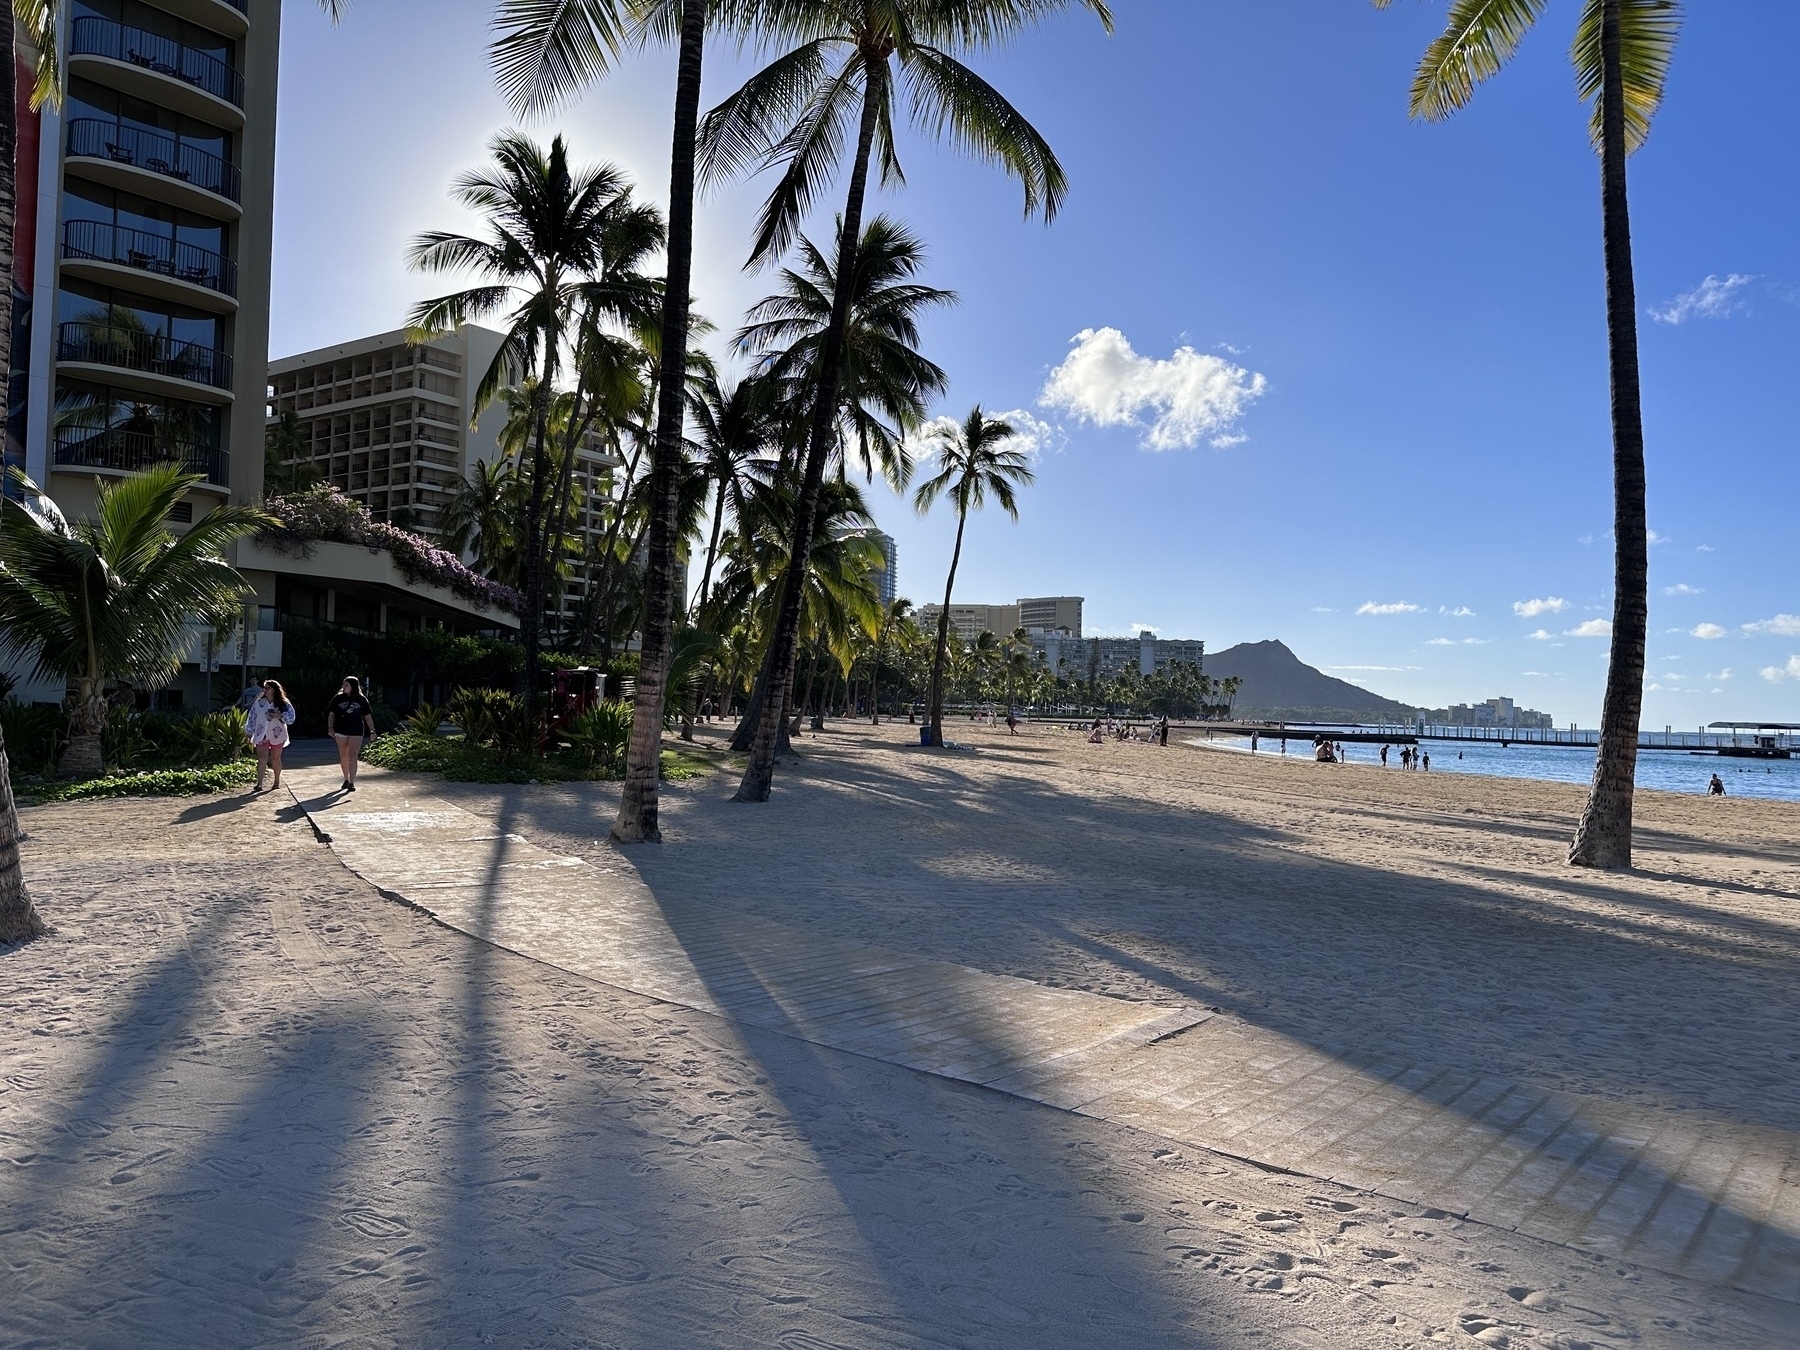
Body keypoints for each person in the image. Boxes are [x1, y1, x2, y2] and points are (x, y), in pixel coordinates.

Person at [328, 676, 376, 791]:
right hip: (340, 730)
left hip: (356, 731)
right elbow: (331, 714)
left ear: (353, 686)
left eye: (346, 685)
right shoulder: (338, 698)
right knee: (343, 755)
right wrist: (330, 728)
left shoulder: (362, 699)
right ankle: (346, 779)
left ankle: (352, 782)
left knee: (353, 756)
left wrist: (372, 731)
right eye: (343, 685)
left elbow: (368, 716)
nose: (344, 687)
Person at [249, 679, 295, 792]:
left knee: (276, 758)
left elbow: (291, 718)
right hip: (261, 734)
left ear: (274, 690)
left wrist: (280, 715)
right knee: (262, 758)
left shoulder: (283, 703)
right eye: (264, 688)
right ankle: (259, 783)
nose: (265, 690)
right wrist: (249, 731)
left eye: (267, 688)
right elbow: (252, 717)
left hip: (277, 734)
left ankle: (276, 781)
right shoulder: (259, 703)